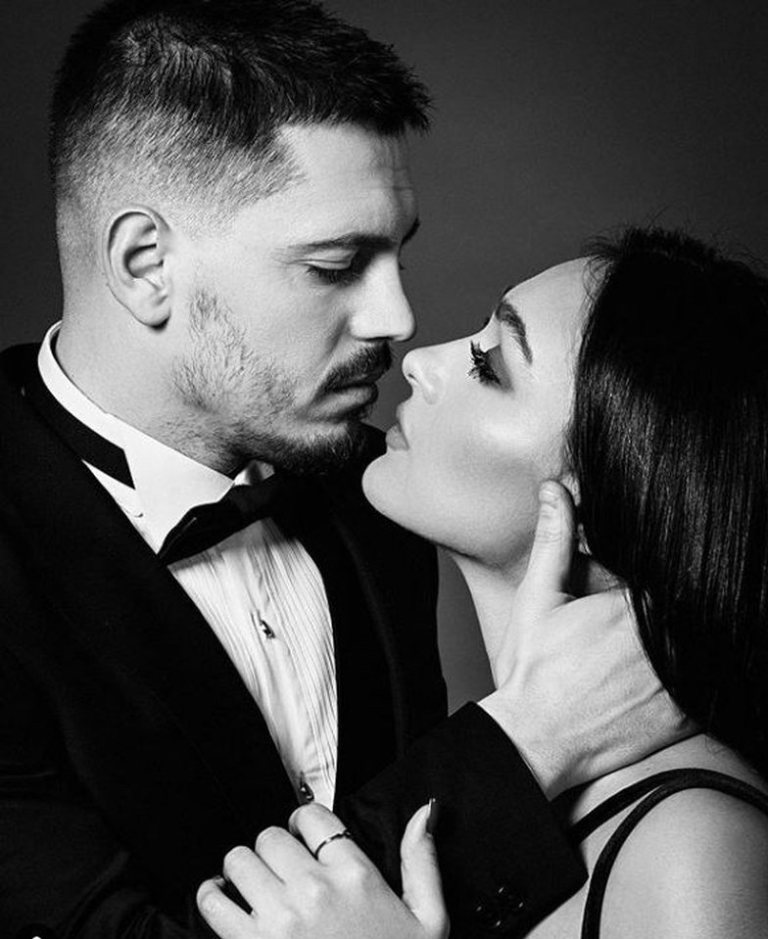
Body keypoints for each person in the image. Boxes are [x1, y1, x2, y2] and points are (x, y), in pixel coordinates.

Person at [0, 0, 685, 935]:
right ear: (146, 263)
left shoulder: (379, 488)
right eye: (334, 264)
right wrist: (536, 733)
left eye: (396, 254)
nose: (397, 320)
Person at [199, 227, 768, 939]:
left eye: (489, 365)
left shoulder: (695, 849)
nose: (419, 361)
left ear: (610, 497)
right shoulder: (488, 775)